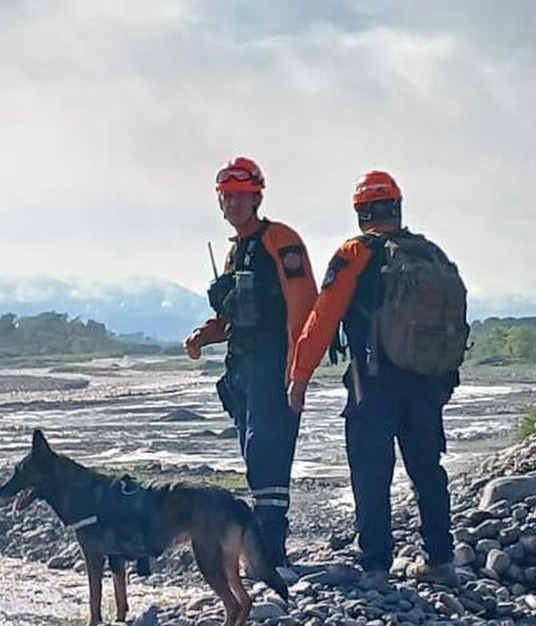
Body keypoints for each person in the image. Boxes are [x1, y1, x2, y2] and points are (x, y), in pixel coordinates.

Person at [287, 169, 467, 588]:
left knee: (371, 472)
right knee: (427, 469)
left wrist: (299, 377)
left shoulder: (355, 253)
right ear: (397, 207)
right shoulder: (432, 254)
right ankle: (440, 559)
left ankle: (375, 567)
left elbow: (322, 318)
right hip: (426, 382)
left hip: (374, 381)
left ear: (361, 212)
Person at [184, 156, 317, 570]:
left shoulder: (280, 240)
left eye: (242, 196)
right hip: (241, 367)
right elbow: (231, 318)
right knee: (252, 453)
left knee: (268, 455)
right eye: (227, 197)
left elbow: (303, 306)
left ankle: (272, 554)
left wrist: (296, 370)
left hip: (272, 364)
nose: (234, 204)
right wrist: (203, 337)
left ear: (257, 197)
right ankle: (264, 553)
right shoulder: (234, 253)